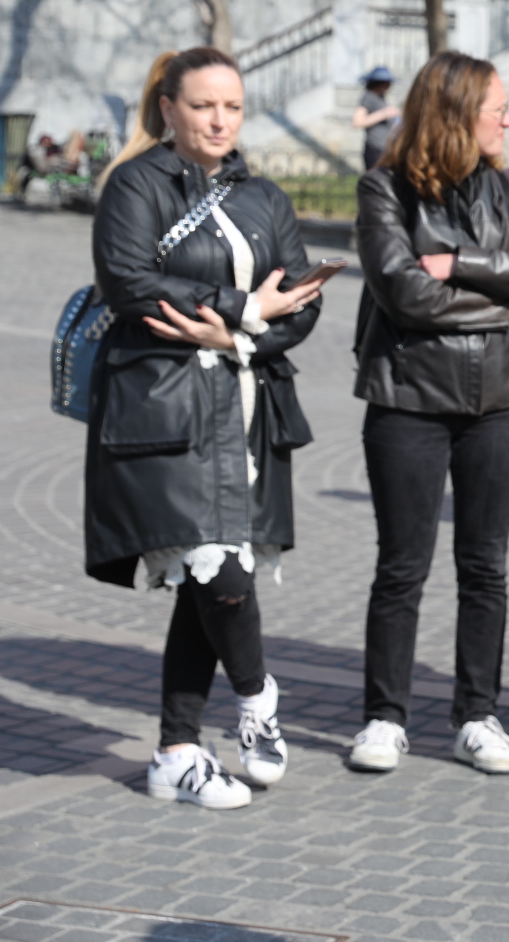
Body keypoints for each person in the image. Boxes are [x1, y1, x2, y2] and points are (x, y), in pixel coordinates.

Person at [88, 48, 329, 809]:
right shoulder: (134, 184)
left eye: (232, 106)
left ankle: (177, 753)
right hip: (160, 407)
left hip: (248, 402)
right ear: (168, 109)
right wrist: (246, 306)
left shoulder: (265, 196)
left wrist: (243, 336)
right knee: (216, 570)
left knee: (209, 578)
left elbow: (303, 300)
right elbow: (128, 283)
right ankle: (257, 699)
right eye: (203, 106)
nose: (220, 120)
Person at [349, 51, 509, 777]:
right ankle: (384, 716)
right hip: (408, 396)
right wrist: (502, 276)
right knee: (401, 566)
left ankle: (477, 714)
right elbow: (403, 293)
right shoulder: (385, 189)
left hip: (500, 400)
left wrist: (457, 263)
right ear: (454, 114)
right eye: (497, 109)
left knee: (486, 566)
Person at [351, 66, 399, 172]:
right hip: (375, 148)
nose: (388, 85)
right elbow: (357, 122)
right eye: (386, 82)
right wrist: (384, 113)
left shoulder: (381, 98)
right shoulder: (368, 97)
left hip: (385, 147)